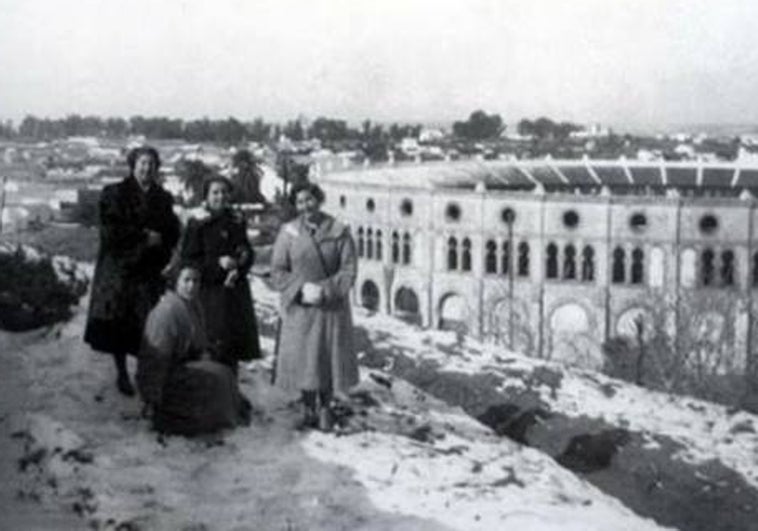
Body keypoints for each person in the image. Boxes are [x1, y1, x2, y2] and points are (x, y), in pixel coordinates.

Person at [84, 146, 180, 396]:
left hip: (149, 270)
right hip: (120, 270)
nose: (147, 168)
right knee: (119, 322)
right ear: (133, 165)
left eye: (151, 164)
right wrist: (142, 237)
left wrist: (162, 240)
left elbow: (173, 230)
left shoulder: (163, 197)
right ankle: (122, 373)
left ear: (156, 168)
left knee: (147, 323)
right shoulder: (114, 193)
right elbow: (110, 231)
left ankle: (144, 371)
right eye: (142, 163)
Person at [270, 182, 358, 431]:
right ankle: (308, 406)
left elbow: (349, 269)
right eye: (299, 202)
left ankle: (326, 407)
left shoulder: (339, 231)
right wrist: (299, 289)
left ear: (318, 200)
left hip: (330, 307)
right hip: (300, 307)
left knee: (327, 357)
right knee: (305, 359)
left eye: (309, 200)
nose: (305, 206)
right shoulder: (288, 233)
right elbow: (277, 270)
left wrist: (327, 290)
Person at [136, 262, 251, 436]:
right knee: (216, 378)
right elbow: (155, 360)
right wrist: (152, 400)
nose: (191, 286)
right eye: (186, 280)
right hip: (167, 378)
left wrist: (207, 352)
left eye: (196, 281)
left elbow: (198, 341)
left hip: (186, 365)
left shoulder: (193, 305)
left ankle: (228, 414)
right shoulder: (166, 312)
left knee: (224, 372)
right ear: (176, 282)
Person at [181, 177, 261, 372]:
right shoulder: (197, 222)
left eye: (224, 192)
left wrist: (240, 265)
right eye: (215, 192)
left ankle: (231, 392)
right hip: (209, 292)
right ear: (206, 196)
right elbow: (189, 259)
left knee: (232, 347)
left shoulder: (236, 219)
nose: (220, 196)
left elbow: (247, 250)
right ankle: (211, 394)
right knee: (211, 345)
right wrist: (217, 264)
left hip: (234, 290)